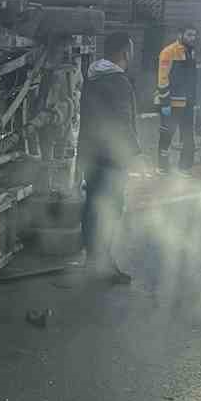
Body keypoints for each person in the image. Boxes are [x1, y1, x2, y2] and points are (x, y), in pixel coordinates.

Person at [79, 31, 140, 285]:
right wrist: (134, 154)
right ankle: (103, 266)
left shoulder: (92, 78)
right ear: (125, 52)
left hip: (91, 155)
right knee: (110, 210)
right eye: (132, 50)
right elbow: (122, 124)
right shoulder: (118, 82)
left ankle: (93, 261)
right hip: (111, 160)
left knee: (93, 207)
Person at [157, 27, 198, 175]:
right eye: (189, 35)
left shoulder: (191, 52)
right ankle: (162, 167)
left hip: (187, 103)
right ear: (180, 35)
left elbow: (191, 79)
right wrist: (165, 102)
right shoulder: (168, 52)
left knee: (188, 136)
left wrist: (193, 99)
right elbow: (162, 78)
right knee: (166, 136)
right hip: (172, 103)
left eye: (194, 35)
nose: (192, 38)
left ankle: (184, 168)